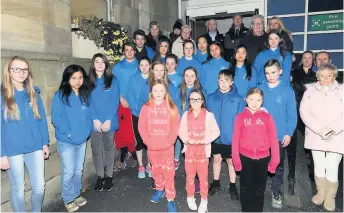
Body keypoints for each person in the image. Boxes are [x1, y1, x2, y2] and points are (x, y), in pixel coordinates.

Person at [1, 56, 49, 212]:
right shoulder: (2, 96)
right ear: (8, 71)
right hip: (12, 149)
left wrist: (44, 143)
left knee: (40, 186)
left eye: (25, 69)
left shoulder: (33, 93)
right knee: (18, 189)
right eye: (16, 68)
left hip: (34, 146)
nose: (21, 72)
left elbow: (41, 119)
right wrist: (1, 154)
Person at [300, 63, 343, 212]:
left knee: (332, 166)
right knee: (319, 164)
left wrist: (333, 129)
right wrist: (319, 130)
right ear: (318, 76)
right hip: (315, 134)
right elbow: (304, 112)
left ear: (334, 76)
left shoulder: (342, 90)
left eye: (329, 75)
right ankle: (320, 193)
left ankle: (330, 197)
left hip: (337, 135)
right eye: (322, 76)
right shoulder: (310, 90)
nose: (326, 79)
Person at [52, 64, 93, 212]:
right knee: (68, 171)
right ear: (67, 79)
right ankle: (68, 198)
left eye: (80, 77)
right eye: (74, 78)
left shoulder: (84, 94)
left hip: (82, 140)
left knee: (78, 170)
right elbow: (56, 119)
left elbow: (90, 115)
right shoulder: (60, 95)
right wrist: (69, 134)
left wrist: (87, 131)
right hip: (67, 141)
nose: (77, 81)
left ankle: (76, 195)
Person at [232, 87, 280, 212]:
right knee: (246, 187)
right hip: (245, 157)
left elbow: (274, 140)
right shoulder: (240, 117)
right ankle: (246, 209)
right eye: (251, 99)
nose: (254, 103)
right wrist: (236, 159)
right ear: (246, 99)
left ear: (262, 101)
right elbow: (235, 139)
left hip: (263, 158)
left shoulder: (267, 117)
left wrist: (275, 160)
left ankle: (257, 210)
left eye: (258, 100)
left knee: (259, 188)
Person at [258, 59, 297, 209]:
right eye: (267, 73)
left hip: (279, 135)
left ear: (280, 71)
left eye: (273, 72)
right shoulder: (260, 88)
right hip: (261, 135)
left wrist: (288, 133)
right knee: (260, 163)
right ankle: (259, 190)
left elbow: (292, 114)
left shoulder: (287, 90)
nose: (270, 76)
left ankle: (276, 192)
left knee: (278, 165)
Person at [138, 80, 180, 212]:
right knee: (156, 171)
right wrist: (147, 141)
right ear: (151, 91)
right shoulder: (146, 107)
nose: (158, 93)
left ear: (166, 91)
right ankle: (160, 189)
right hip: (152, 147)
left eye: (161, 90)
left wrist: (170, 141)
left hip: (167, 147)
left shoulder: (172, 107)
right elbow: (141, 126)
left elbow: (176, 126)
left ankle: (170, 198)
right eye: (155, 90)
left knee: (169, 172)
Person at [179, 90, 220, 213]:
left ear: (202, 101)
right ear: (189, 102)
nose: (195, 102)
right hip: (190, 152)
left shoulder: (209, 115)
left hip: (203, 152)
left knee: (203, 178)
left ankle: (204, 199)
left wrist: (205, 140)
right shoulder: (186, 115)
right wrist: (186, 140)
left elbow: (216, 131)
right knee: (190, 176)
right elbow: (181, 131)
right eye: (192, 99)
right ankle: (190, 196)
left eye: (198, 99)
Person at [207, 69, 245, 200]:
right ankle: (216, 183)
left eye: (226, 80)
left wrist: (239, 137)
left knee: (231, 161)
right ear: (217, 81)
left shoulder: (238, 99)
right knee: (216, 159)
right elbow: (208, 118)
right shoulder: (211, 98)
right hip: (215, 138)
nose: (223, 83)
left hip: (231, 138)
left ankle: (233, 186)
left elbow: (241, 120)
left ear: (232, 82)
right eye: (221, 80)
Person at [89, 53, 120, 191]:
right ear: (93, 64)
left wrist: (108, 119)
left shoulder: (113, 80)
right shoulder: (87, 81)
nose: (100, 64)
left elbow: (114, 100)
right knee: (96, 150)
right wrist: (94, 118)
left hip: (109, 121)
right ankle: (100, 177)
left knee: (108, 149)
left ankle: (109, 177)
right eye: (97, 61)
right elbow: (86, 101)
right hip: (94, 121)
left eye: (102, 62)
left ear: (106, 64)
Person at [289, 51, 317, 193]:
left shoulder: (316, 74)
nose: (307, 60)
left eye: (309, 58)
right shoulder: (296, 72)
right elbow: (295, 87)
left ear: (313, 60)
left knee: (312, 143)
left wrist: (306, 86)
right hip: (298, 110)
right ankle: (292, 171)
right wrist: (310, 87)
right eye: (304, 58)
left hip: (314, 113)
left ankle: (313, 172)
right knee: (295, 141)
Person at [112, 42, 138, 169]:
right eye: (126, 50)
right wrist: (120, 98)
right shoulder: (117, 67)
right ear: (123, 51)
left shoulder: (140, 65)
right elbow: (113, 85)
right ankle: (124, 153)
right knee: (121, 130)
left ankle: (134, 151)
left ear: (135, 51)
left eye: (131, 50)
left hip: (136, 102)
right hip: (121, 102)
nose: (129, 52)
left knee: (133, 130)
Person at [127, 56, 151, 178]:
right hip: (137, 113)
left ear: (150, 66)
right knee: (139, 140)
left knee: (151, 141)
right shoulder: (133, 79)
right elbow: (130, 96)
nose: (144, 67)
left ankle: (150, 165)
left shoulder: (153, 80)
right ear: (138, 66)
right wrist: (136, 109)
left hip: (151, 115)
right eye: (142, 65)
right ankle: (141, 165)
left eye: (146, 65)